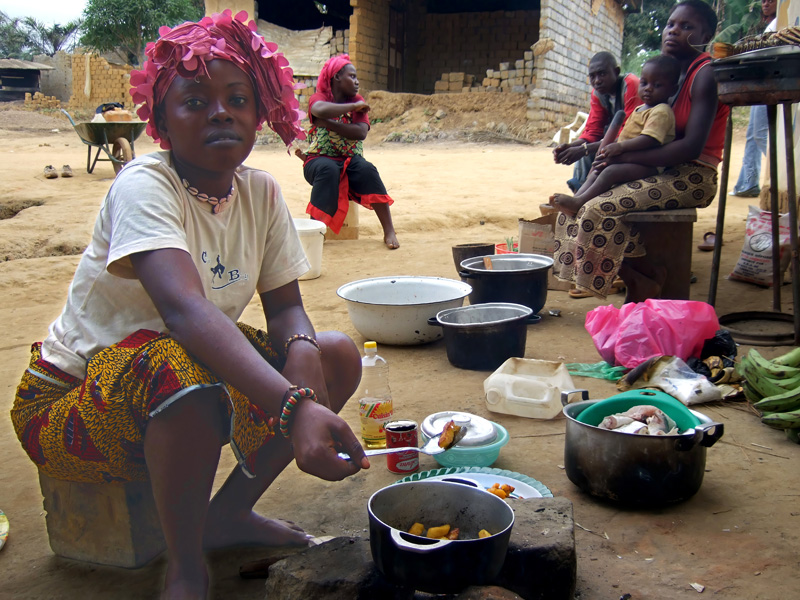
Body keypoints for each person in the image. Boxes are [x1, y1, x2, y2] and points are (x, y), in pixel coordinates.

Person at [10, 11, 369, 599]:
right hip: (68, 404)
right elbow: (184, 312)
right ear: (161, 122)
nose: (221, 112)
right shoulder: (145, 184)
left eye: (238, 99)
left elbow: (285, 310)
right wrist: (294, 406)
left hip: (179, 377)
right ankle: (184, 566)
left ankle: (225, 516)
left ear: (262, 111)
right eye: (195, 101)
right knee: (181, 372)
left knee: (334, 355)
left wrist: (305, 368)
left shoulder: (260, 191)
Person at [552, 0, 730, 304]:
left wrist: (625, 155)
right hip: (662, 169)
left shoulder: (704, 74)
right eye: (671, 24)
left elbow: (691, 147)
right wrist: (606, 153)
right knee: (578, 205)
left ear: (706, 36)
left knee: (597, 209)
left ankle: (643, 277)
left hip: (694, 176)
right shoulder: (667, 77)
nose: (673, 31)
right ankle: (642, 278)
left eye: (686, 26)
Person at [550, 55, 681, 218]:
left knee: (609, 171)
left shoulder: (660, 110)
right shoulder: (636, 108)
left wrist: (618, 147)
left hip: (647, 162)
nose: (648, 88)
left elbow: (650, 139)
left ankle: (580, 201)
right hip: (627, 154)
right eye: (644, 83)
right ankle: (577, 197)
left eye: (657, 85)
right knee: (597, 168)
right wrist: (574, 147)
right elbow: (597, 130)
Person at [299, 54, 399, 249]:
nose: (357, 81)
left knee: (367, 170)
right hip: (316, 161)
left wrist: (328, 123)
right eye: (352, 77)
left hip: (349, 160)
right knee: (328, 169)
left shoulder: (358, 100)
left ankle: (389, 230)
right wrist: (353, 107)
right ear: (337, 77)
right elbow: (319, 110)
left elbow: (360, 133)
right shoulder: (320, 98)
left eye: (356, 77)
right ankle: (315, 232)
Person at [552, 52, 642, 192]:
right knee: (585, 151)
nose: (597, 81)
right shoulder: (598, 94)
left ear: (616, 72)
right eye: (592, 76)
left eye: (602, 74)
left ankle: (583, 196)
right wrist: (570, 147)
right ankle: (579, 192)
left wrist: (583, 149)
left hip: (635, 144)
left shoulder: (630, 85)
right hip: (615, 142)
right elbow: (593, 131)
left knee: (587, 151)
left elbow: (628, 135)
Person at [729, 0, 777, 198]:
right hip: (763, 81)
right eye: (763, 0)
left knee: (759, 134)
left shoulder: (781, 23)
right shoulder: (771, 25)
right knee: (753, 134)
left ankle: (783, 169)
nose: (766, 4)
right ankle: (747, 182)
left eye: (771, 0)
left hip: (772, 83)